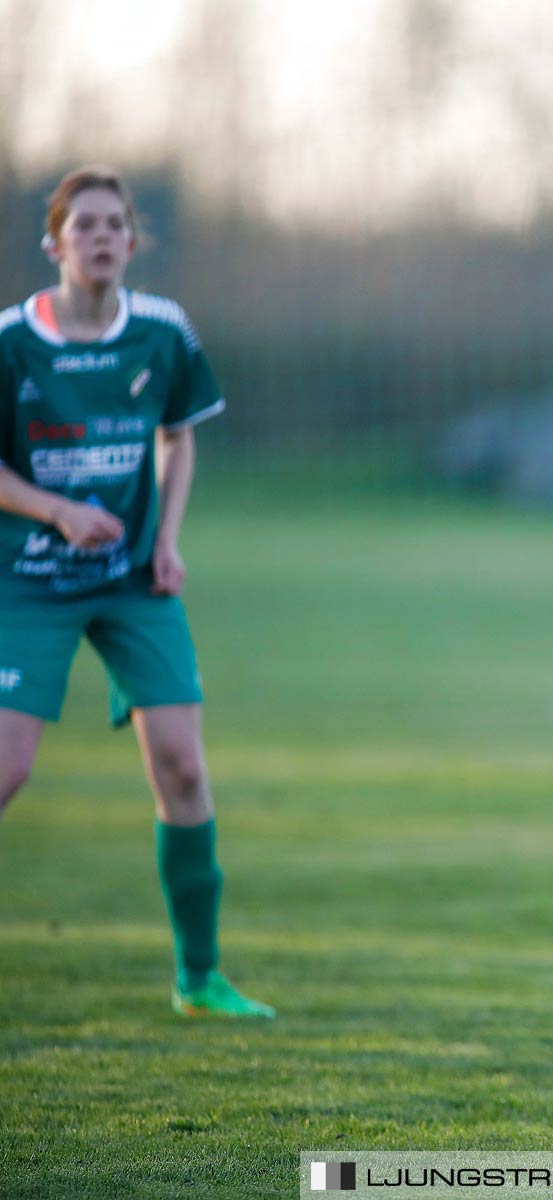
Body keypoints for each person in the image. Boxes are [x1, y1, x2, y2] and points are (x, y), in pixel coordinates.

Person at [0, 167, 273, 1019]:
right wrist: (56, 511)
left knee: (183, 768)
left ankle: (199, 977)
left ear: (132, 240)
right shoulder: (10, 342)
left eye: (117, 223)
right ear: (55, 243)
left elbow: (177, 440)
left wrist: (165, 542)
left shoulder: (162, 331)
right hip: (28, 584)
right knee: (6, 773)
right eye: (85, 224)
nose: (103, 236)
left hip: (131, 582)